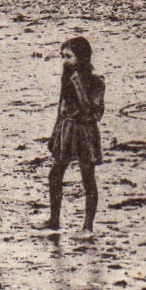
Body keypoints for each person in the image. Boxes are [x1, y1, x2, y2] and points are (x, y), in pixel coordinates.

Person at [39, 37, 105, 234]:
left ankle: (87, 227)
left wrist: (76, 82)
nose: (65, 61)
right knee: (55, 175)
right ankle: (54, 220)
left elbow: (92, 112)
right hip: (66, 131)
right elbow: (61, 109)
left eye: (69, 56)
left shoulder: (96, 82)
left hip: (85, 133)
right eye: (63, 57)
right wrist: (55, 135)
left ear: (82, 58)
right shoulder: (66, 79)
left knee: (88, 178)